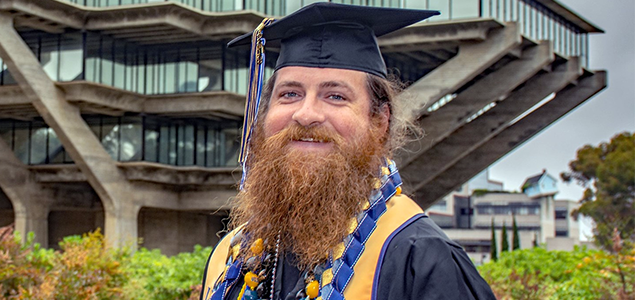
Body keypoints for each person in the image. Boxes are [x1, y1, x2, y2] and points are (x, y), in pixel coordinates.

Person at [200, 3, 496, 300]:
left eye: (336, 96)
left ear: (380, 121)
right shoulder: (229, 259)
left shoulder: (420, 259)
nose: (306, 114)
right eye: (290, 94)